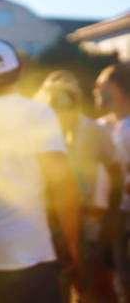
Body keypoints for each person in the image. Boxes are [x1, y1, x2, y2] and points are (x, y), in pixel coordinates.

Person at [0, 40, 80, 303]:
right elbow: (63, 183)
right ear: (20, 69)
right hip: (34, 254)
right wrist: (72, 242)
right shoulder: (39, 114)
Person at [35, 73, 121, 302]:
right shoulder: (34, 134)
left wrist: (112, 214)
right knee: (56, 288)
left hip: (85, 223)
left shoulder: (92, 130)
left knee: (93, 287)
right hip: (45, 223)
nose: (63, 112)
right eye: (56, 105)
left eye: (68, 103)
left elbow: (116, 170)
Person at [93, 62, 130, 300]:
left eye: (100, 86)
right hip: (109, 218)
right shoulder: (100, 126)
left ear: (114, 88)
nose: (96, 92)